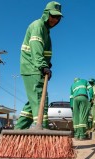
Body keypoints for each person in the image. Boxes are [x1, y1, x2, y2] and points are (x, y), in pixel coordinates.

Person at [15, 1, 63, 130]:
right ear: (46, 14)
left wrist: (47, 63)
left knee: (33, 102)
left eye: (58, 17)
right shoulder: (38, 26)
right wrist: (43, 65)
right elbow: (36, 47)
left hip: (34, 67)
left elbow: (42, 51)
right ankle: (43, 132)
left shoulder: (46, 30)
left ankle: (17, 132)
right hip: (33, 68)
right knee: (40, 98)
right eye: (53, 16)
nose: (55, 20)